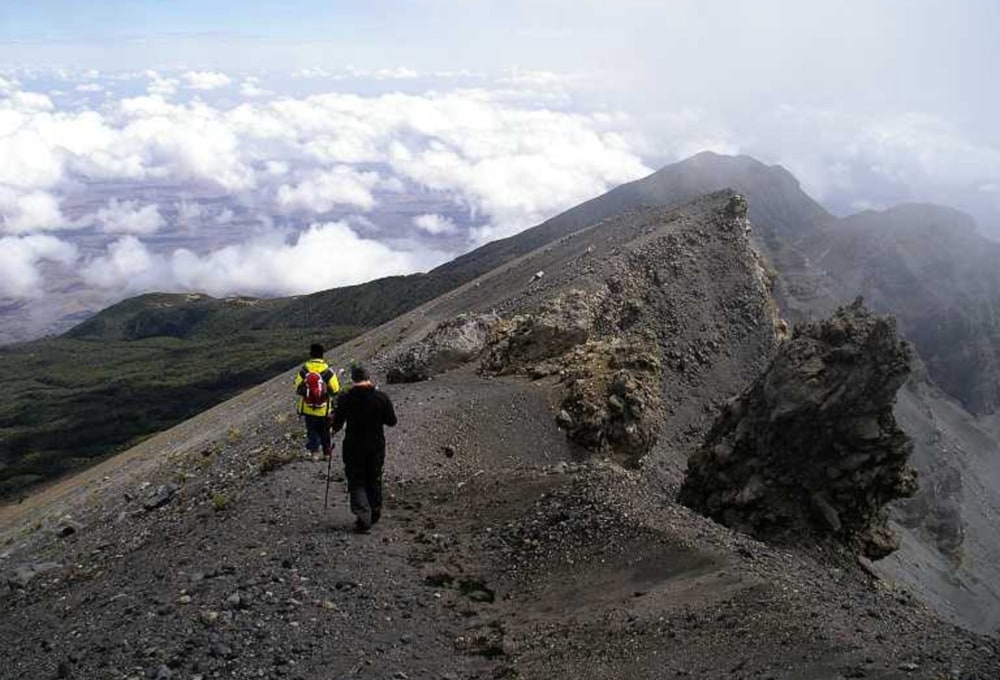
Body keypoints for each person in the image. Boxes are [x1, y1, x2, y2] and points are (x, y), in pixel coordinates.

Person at [331, 363, 397, 533]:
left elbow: (337, 423)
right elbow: (392, 421)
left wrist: (328, 436)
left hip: (353, 446)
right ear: (369, 378)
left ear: (353, 379)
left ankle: (363, 517)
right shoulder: (381, 397)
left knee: (356, 480)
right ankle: (374, 513)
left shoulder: (346, 398)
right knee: (374, 477)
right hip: (376, 445)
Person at [294, 343, 340, 461]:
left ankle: (315, 454)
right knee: (325, 431)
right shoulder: (328, 371)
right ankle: (326, 453)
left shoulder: (304, 371)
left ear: (311, 354)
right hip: (324, 408)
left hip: (308, 408)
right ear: (322, 355)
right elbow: (335, 389)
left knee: (312, 431)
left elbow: (297, 387)